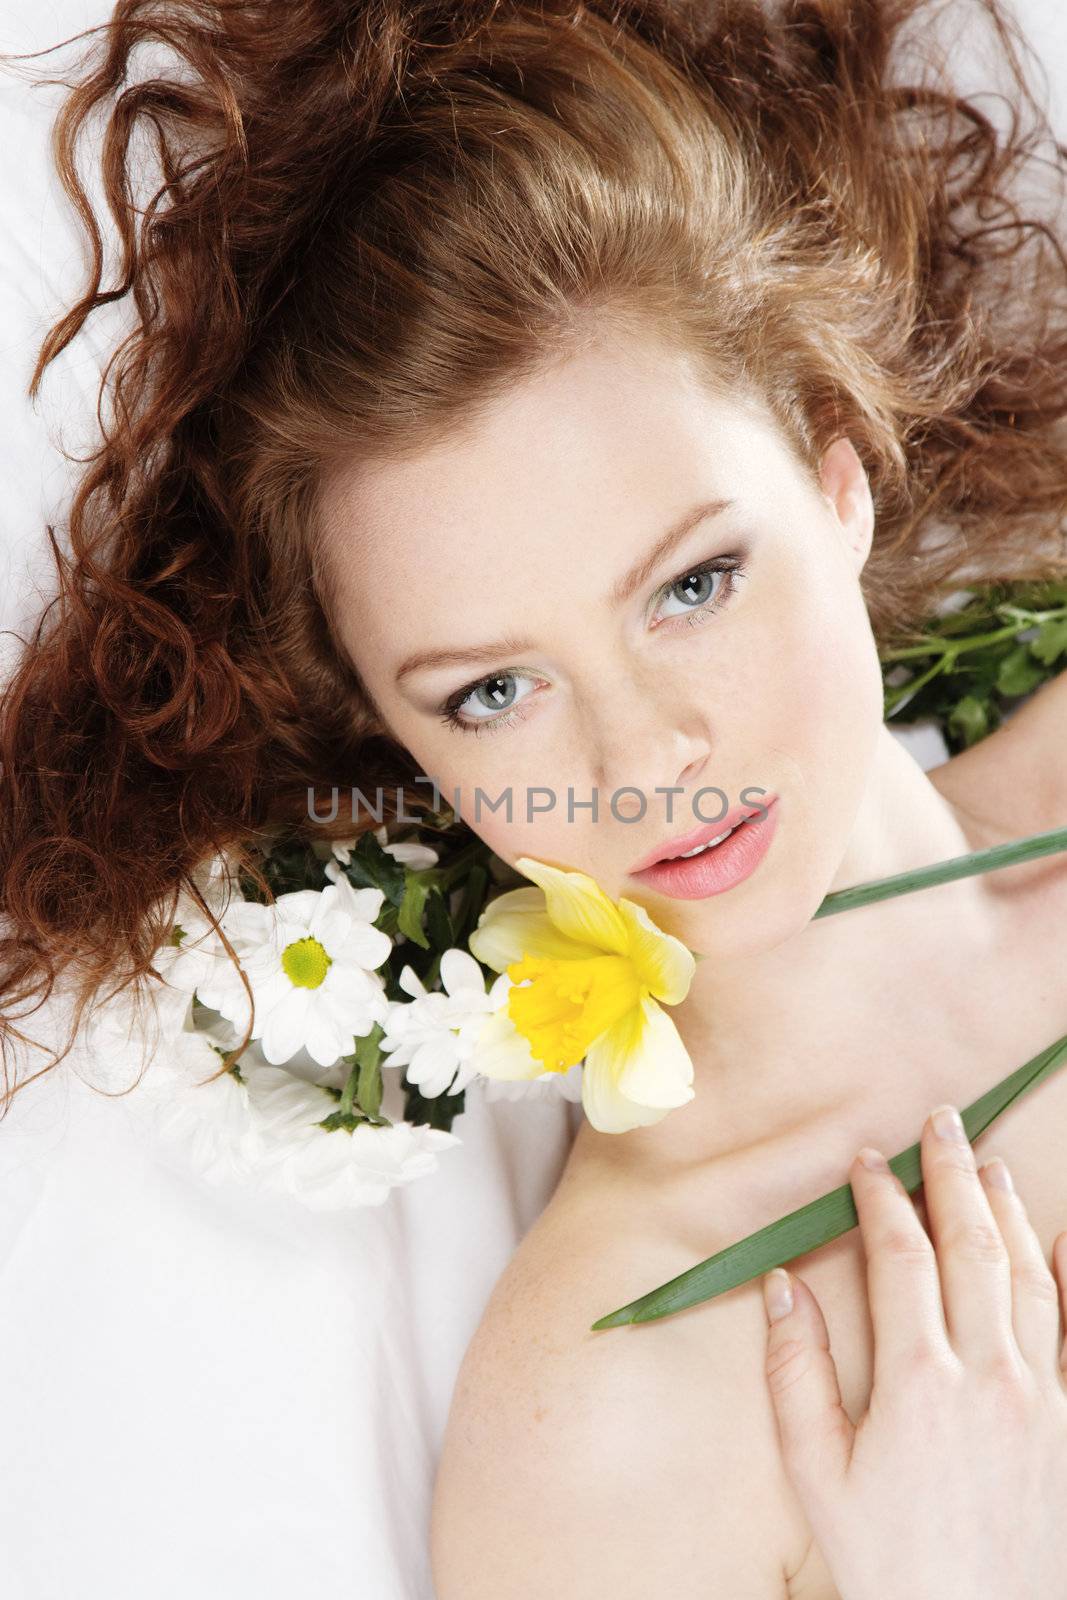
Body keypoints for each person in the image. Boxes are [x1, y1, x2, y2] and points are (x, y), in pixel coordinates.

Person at [1, 0, 1066, 1595]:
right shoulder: (611, 1416)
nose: (643, 765)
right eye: (493, 693)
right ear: (397, 740)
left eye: (694, 583)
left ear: (837, 478)